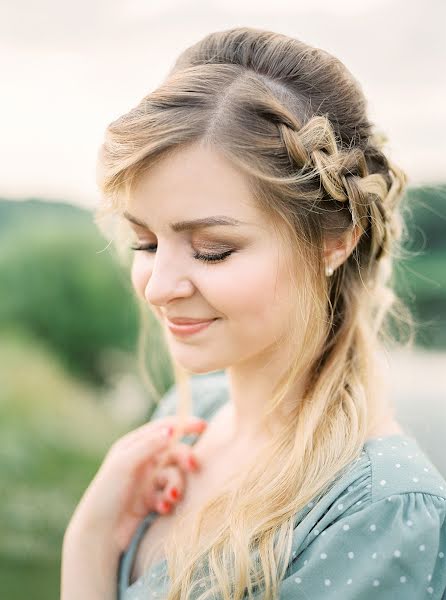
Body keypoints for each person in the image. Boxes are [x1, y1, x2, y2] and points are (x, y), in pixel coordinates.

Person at [61, 26, 446, 599]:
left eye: (212, 249)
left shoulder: (379, 511)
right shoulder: (190, 418)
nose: (159, 287)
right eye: (145, 242)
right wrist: (90, 541)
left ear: (333, 241)